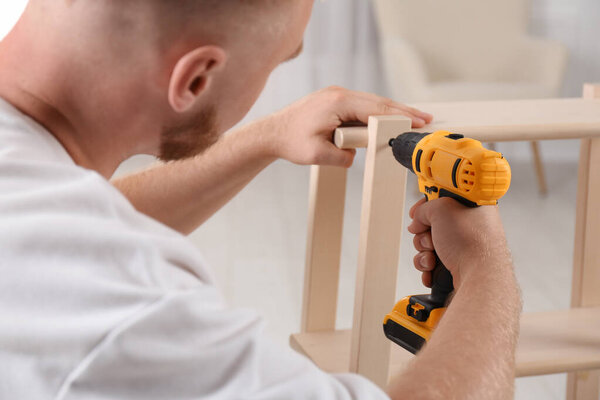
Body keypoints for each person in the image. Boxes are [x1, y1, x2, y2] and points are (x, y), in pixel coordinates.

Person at [0, 1, 522, 399]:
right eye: (279, 62)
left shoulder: (34, 206)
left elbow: (77, 224)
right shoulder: (127, 309)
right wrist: (483, 264)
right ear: (198, 78)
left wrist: (265, 136)